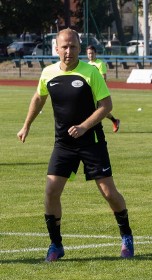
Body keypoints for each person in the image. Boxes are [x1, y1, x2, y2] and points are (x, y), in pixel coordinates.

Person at [16, 29, 134, 262]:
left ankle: (127, 236)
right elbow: (39, 98)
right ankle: (56, 245)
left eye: (73, 47)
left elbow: (106, 105)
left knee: (109, 193)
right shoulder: (48, 73)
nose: (68, 51)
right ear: (56, 49)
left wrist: (83, 126)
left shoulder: (91, 72)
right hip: (63, 144)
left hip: (92, 142)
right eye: (64, 47)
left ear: (79, 48)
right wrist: (26, 125)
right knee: (51, 192)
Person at [86, 44, 121, 133]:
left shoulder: (100, 63)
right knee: (97, 109)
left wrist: (100, 90)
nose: (90, 55)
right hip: (90, 91)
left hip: (98, 91)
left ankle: (96, 127)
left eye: (92, 53)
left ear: (95, 53)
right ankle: (114, 121)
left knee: (99, 109)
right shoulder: (88, 64)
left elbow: (103, 77)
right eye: (89, 53)